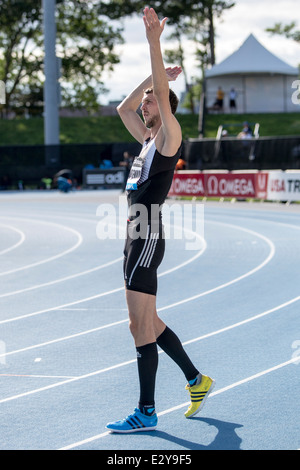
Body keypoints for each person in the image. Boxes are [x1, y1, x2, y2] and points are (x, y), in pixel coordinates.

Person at [106, 7, 215, 434]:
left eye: (152, 97)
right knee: (147, 323)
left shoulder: (169, 135)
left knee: (139, 326)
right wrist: (151, 81)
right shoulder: (147, 138)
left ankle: (147, 410)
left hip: (147, 234)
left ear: (167, 107)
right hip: (136, 235)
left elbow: (155, 102)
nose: (145, 101)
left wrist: (154, 45)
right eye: (148, 97)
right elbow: (122, 107)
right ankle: (195, 379)